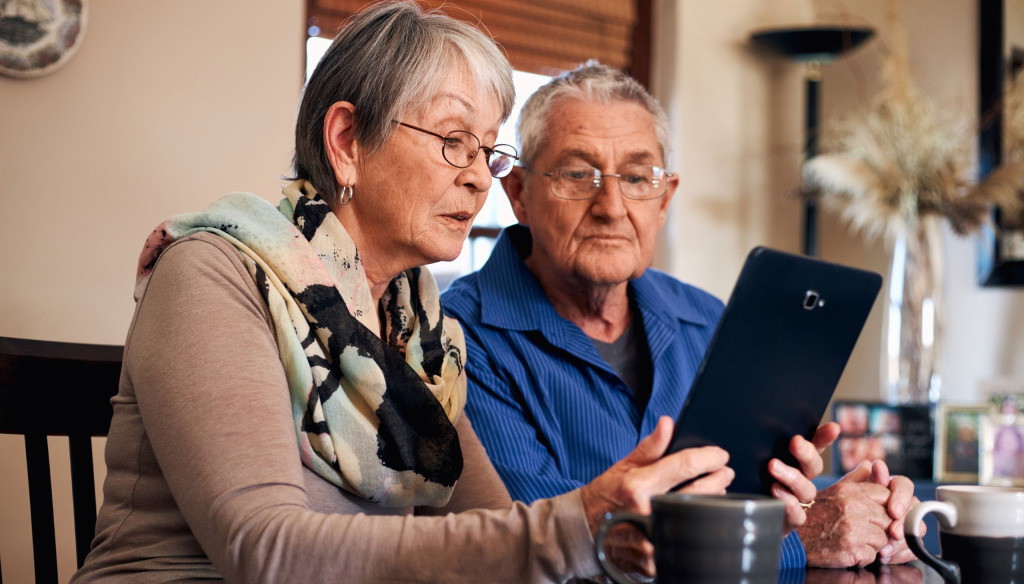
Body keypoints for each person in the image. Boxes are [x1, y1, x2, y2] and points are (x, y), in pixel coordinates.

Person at [68, 5, 758, 582]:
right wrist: (576, 524)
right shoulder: (215, 273)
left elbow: (493, 531)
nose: (480, 179)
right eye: (454, 141)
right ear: (347, 142)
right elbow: (264, 552)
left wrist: (620, 533)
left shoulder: (419, 333)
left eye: (488, 151)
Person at [442, 62, 922, 572]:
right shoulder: (454, 336)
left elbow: (756, 494)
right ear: (519, 194)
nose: (611, 206)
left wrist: (855, 513)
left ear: (665, 198)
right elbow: (541, 544)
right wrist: (799, 539)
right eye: (578, 174)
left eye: (637, 177)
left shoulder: (706, 319)